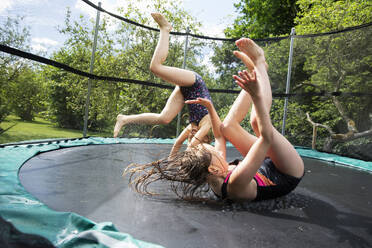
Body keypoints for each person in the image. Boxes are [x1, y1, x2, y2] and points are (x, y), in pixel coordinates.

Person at [125, 38, 304, 202]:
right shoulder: (235, 185)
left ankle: (255, 73)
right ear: (214, 169)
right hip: (287, 172)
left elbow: (219, 136)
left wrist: (210, 107)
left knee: (227, 127)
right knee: (257, 123)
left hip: (267, 163)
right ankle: (259, 64)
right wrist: (256, 96)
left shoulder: (213, 171)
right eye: (216, 153)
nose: (220, 152)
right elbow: (266, 138)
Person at [114, 13, 212, 156]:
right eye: (194, 137)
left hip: (185, 92)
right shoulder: (207, 125)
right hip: (195, 83)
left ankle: (124, 118)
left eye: (191, 136)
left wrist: (170, 163)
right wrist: (190, 155)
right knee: (156, 67)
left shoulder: (192, 128)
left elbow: (178, 143)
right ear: (206, 138)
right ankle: (165, 29)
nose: (191, 135)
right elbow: (191, 146)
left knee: (164, 118)